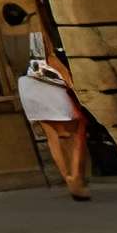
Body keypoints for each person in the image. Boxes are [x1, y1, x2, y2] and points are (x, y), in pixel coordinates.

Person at [10, 15, 92, 199]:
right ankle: (75, 178)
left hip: (28, 87)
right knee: (76, 133)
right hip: (47, 87)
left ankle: (68, 178)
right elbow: (45, 57)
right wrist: (69, 80)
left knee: (53, 137)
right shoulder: (36, 27)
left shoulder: (9, 36)